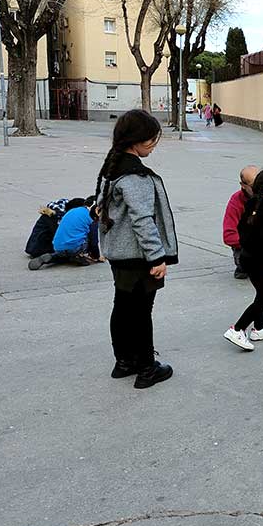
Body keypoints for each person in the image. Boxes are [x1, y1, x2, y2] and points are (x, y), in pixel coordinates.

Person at [95, 109, 178, 389]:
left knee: (123, 307)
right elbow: (143, 220)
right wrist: (157, 256)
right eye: (152, 140)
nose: (154, 145)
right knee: (142, 312)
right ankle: (146, 367)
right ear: (137, 140)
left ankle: (124, 361)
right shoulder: (135, 177)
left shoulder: (112, 168)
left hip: (118, 253)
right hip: (139, 256)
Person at [223, 170, 263, 352]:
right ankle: (237, 328)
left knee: (262, 291)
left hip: (247, 257)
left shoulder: (252, 206)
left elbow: (245, 235)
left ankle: (259, 328)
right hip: (260, 260)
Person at [28, 199, 102, 270]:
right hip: (74, 248)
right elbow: (94, 242)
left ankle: (52, 257)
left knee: (63, 253)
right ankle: (78, 255)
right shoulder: (91, 217)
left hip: (57, 247)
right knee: (87, 234)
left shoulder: (70, 211)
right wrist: (96, 256)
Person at [25, 197, 89, 258]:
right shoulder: (58, 218)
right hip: (40, 249)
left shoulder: (59, 207)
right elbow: (63, 236)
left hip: (33, 246)